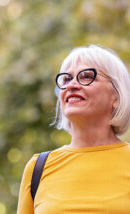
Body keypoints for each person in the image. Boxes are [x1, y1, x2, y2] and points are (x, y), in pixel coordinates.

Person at [17, 45, 130, 213]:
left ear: (116, 94)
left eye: (86, 76)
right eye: (66, 79)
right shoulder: (37, 169)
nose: (72, 85)